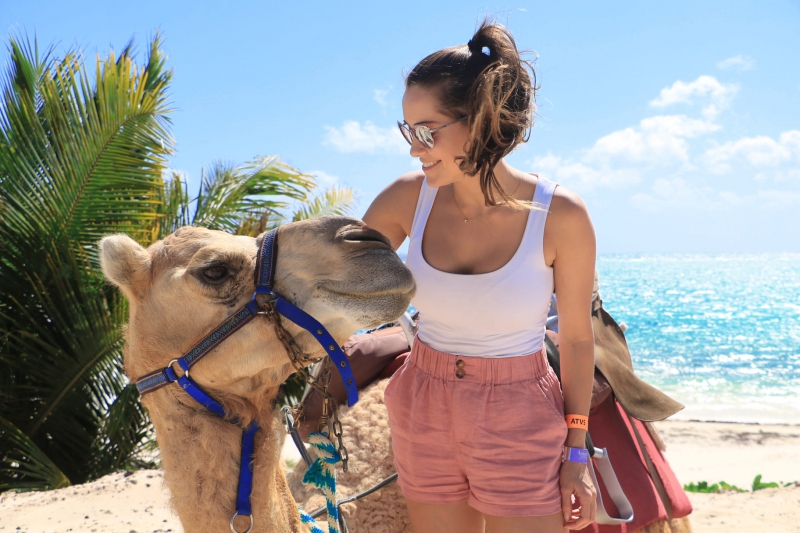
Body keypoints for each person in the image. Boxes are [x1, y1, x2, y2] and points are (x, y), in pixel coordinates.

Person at [363, 20, 598, 533]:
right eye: (408, 131)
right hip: (422, 400)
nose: (414, 147)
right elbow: (334, 274)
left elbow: (578, 340)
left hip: (518, 409)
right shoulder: (406, 199)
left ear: (483, 119)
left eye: (428, 131)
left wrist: (576, 449)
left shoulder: (561, 215)